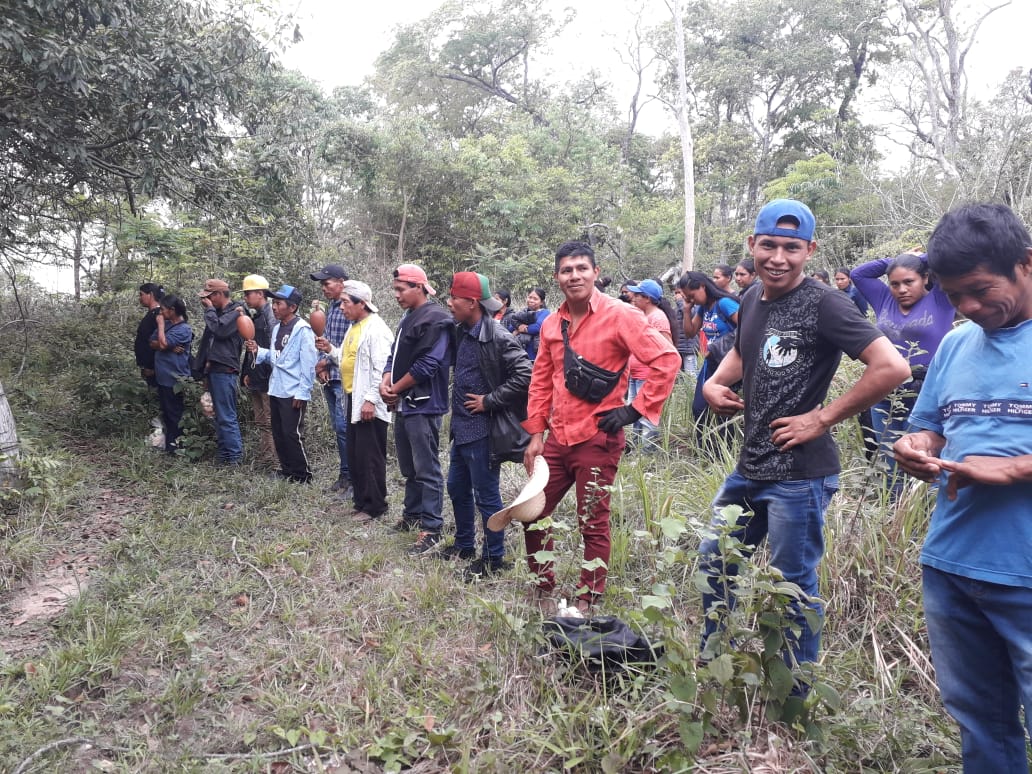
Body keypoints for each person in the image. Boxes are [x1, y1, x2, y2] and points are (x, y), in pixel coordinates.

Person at [700, 199, 909, 675]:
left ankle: (794, 694)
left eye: (791, 248)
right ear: (752, 244)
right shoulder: (753, 297)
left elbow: (892, 367)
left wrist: (822, 418)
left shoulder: (826, 303)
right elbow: (742, 352)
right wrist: (715, 383)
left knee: (791, 586)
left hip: (799, 476)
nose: (778, 257)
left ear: (809, 250)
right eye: (768, 245)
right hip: (748, 468)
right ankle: (711, 666)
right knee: (715, 564)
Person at [892, 203, 1032, 773]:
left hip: (1025, 573)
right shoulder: (955, 344)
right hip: (953, 565)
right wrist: (915, 447)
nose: (969, 307)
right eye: (954, 296)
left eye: (980, 289)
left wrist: (1017, 468)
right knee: (980, 722)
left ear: (1025, 262)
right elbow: (930, 425)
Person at [521, 241, 680, 614]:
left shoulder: (620, 315)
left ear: (594, 273)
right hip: (557, 439)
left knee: (592, 522)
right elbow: (541, 381)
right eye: (566, 270)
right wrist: (535, 435)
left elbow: (667, 360)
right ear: (557, 277)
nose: (574, 275)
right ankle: (541, 586)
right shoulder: (551, 323)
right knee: (532, 513)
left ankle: (588, 598)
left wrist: (634, 410)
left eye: (581, 268)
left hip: (598, 438)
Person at [443, 272, 532, 579]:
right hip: (462, 430)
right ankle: (465, 544)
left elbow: (526, 375)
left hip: (483, 431)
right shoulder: (461, 331)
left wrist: (489, 400)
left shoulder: (498, 336)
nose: (449, 302)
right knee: (456, 487)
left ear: (471, 303)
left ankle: (494, 558)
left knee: (487, 494)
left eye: (454, 298)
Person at [851, 252, 955, 488]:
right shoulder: (883, 299)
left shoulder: (940, 298)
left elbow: (947, 258)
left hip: (927, 390)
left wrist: (917, 258)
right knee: (890, 458)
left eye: (909, 281)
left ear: (925, 278)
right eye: (895, 283)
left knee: (923, 458)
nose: (901, 289)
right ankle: (895, 516)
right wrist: (898, 261)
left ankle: (924, 515)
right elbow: (859, 273)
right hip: (885, 388)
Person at [381, 263, 454, 555]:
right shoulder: (408, 317)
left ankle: (432, 527)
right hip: (404, 403)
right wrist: (386, 382)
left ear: (419, 287)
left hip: (424, 404)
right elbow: (393, 355)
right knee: (409, 465)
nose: (397, 295)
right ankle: (412, 514)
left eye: (402, 289)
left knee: (427, 467)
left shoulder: (436, 319)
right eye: (395, 289)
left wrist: (394, 389)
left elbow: (427, 365)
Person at [318, 281, 394, 522]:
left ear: (362, 304)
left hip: (369, 401)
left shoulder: (376, 329)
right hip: (355, 398)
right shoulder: (356, 327)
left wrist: (371, 400)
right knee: (356, 453)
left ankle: (375, 506)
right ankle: (361, 502)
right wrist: (331, 349)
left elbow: (381, 369)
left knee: (370, 455)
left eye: (345, 302)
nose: (341, 307)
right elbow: (348, 356)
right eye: (341, 302)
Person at [247, 285, 318, 483]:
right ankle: (287, 470)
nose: (274, 307)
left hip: (293, 390)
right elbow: (276, 357)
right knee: (278, 432)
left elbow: (309, 364)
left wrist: (303, 393)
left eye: (278, 303)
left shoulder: (302, 330)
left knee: (291, 433)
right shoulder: (278, 328)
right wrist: (258, 351)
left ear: (292, 307)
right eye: (274, 303)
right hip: (277, 387)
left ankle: (302, 474)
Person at [678, 271, 740, 437]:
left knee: (723, 412)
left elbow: (748, 326)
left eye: (691, 295)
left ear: (703, 286)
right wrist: (686, 310)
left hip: (730, 364)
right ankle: (705, 451)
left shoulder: (725, 303)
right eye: (687, 297)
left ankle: (723, 453)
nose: (690, 300)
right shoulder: (702, 308)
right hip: (711, 364)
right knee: (699, 408)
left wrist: (720, 346)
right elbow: (690, 332)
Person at [309, 264, 351, 495]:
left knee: (346, 428)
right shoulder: (333, 308)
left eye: (327, 283)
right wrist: (321, 364)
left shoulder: (351, 308)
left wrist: (327, 361)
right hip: (331, 376)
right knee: (339, 428)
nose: (324, 288)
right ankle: (344, 475)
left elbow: (350, 344)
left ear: (342, 281)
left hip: (344, 377)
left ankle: (353, 478)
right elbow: (324, 339)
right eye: (322, 285)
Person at [194, 279, 245, 465]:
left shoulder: (236, 312)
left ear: (218, 295)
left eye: (209, 297)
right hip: (213, 370)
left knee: (226, 415)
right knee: (217, 415)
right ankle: (224, 457)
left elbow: (220, 330)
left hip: (225, 369)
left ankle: (235, 459)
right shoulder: (218, 313)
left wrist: (208, 310)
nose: (206, 301)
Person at [625, 278, 675, 450]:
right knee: (633, 413)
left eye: (637, 295)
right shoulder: (643, 316)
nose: (633, 297)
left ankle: (648, 452)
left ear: (647, 298)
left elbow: (668, 349)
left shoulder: (658, 318)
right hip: (635, 375)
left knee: (646, 415)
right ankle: (636, 450)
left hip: (647, 376)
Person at [240, 274, 277, 470]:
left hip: (268, 379)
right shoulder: (257, 317)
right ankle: (266, 458)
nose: (245, 298)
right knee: (261, 420)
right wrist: (248, 371)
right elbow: (251, 349)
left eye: (248, 294)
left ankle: (275, 462)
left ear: (260, 294)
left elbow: (275, 352)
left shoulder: (271, 318)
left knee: (270, 421)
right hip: (257, 377)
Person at [150, 294, 192, 454]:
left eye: (163, 310)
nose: (160, 313)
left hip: (175, 378)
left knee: (175, 414)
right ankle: (170, 446)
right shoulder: (168, 325)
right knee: (167, 413)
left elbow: (162, 342)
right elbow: (153, 342)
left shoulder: (184, 329)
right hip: (162, 377)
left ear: (172, 310)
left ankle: (177, 448)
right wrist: (165, 345)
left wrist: (161, 330)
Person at [134, 282, 164, 388]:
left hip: (156, 368)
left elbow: (160, 340)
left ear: (150, 294)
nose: (140, 298)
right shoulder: (152, 314)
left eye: (141, 294)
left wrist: (152, 367)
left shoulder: (158, 314)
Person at [512, 287, 550, 360]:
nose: (531, 300)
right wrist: (518, 326)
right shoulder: (523, 312)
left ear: (541, 302)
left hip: (535, 349)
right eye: (530, 297)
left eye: (535, 299)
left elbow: (537, 327)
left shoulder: (545, 312)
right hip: (521, 348)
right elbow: (511, 326)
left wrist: (519, 329)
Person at [672, 287, 700, 379]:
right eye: (675, 293)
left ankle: (694, 393)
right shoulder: (676, 310)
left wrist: (681, 302)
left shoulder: (694, 306)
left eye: (679, 292)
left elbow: (691, 316)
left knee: (691, 377)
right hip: (678, 349)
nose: (677, 295)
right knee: (680, 378)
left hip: (689, 349)